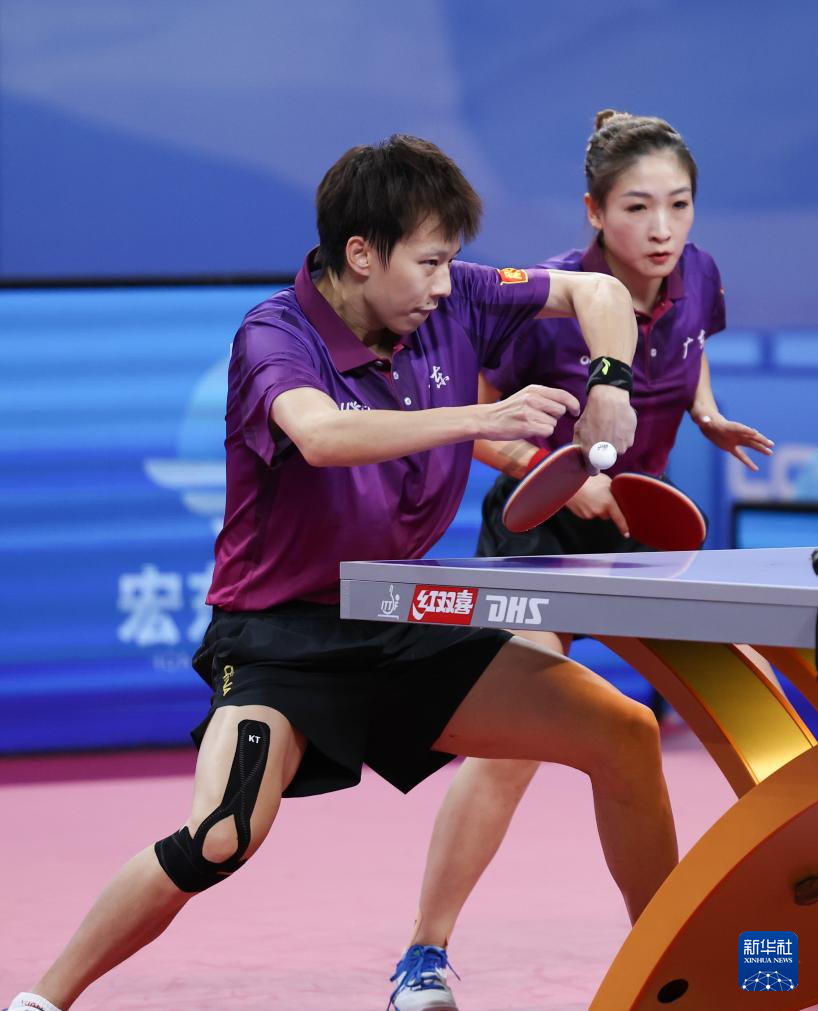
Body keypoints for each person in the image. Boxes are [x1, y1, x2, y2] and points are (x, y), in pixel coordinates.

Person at [5, 134, 678, 1011]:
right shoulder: (275, 334)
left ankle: (676, 985)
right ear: (361, 254)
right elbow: (322, 435)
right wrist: (484, 417)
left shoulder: (458, 296)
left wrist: (611, 382)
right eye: (429, 262)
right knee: (221, 835)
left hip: (398, 613)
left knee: (623, 731)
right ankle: (42, 1000)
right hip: (281, 640)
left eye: (451, 260)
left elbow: (595, 290)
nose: (446, 282)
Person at [387, 112, 774, 1011]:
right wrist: (556, 473)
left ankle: (677, 961)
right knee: (514, 749)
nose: (663, 228)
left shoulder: (698, 275)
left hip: (641, 529)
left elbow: (689, 348)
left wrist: (706, 413)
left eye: (679, 205)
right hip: (539, 534)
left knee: (745, 712)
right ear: (595, 211)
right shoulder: (545, 299)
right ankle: (423, 955)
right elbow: (475, 422)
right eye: (638, 207)